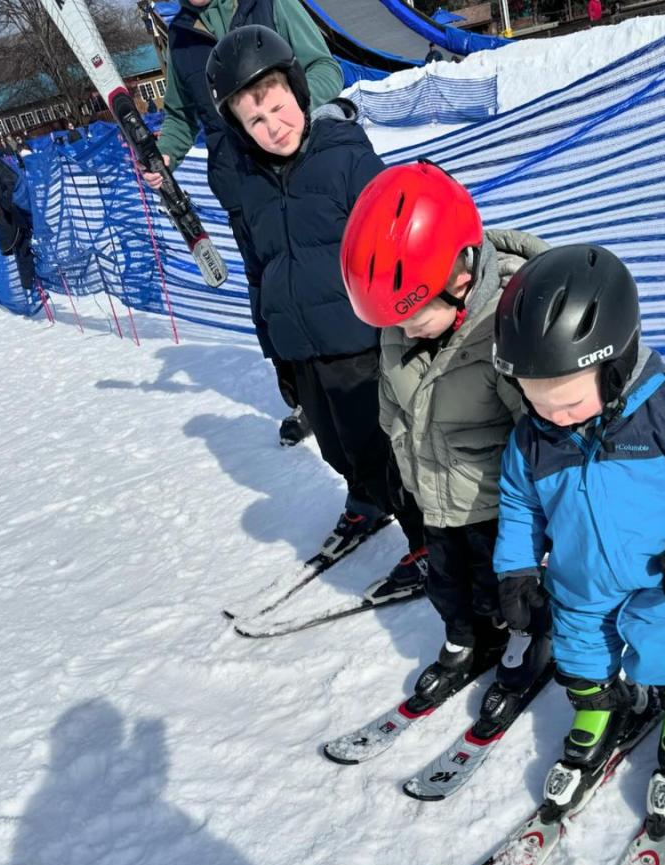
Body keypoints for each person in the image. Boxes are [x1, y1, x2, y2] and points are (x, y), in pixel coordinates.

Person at [492, 244, 665, 817]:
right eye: (537, 402)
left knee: (663, 648)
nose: (553, 417)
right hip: (578, 582)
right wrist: (518, 570)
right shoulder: (531, 440)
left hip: (661, 575)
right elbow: (519, 503)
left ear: (617, 364)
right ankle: (604, 706)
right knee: (579, 657)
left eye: (569, 402)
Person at [206, 26, 427, 597]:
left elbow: (397, 245)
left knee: (380, 449)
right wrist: (273, 346)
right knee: (334, 447)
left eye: (279, 108)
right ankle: (365, 503)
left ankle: (426, 542)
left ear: (299, 95)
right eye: (256, 121)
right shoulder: (247, 184)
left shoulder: (346, 159)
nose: (273, 127)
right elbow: (260, 266)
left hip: (360, 339)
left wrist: (408, 326)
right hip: (301, 344)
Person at [340, 161, 552, 719]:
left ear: (460, 279)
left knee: (504, 591)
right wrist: (398, 450)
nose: (400, 332)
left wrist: (536, 529)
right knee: (448, 587)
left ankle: (531, 641)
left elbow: (538, 434)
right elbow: (393, 399)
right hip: (433, 496)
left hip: (494, 508)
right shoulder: (403, 316)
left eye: (411, 320)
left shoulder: (504, 328)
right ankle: (465, 641)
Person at [143, 0, 344, 448]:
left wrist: (285, 119)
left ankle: (362, 387)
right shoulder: (182, 36)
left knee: (325, 286)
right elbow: (180, 116)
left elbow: (324, 69)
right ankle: (304, 400)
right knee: (272, 303)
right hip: (242, 193)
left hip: (301, 177)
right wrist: (167, 155)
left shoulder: (269, 4)